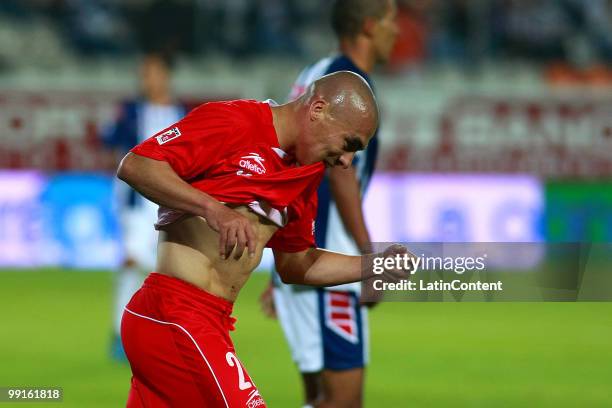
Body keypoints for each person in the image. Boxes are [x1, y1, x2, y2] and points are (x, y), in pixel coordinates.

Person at [117, 71, 405, 407]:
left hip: (210, 321)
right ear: (318, 109)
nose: (346, 161)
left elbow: (298, 264)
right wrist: (214, 209)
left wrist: (374, 265)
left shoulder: (306, 174)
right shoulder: (233, 121)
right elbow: (137, 165)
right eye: (349, 144)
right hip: (173, 313)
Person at [259, 1, 398, 406]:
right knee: (342, 400)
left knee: (320, 397)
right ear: (370, 26)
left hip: (303, 254)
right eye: (392, 22)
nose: (399, 32)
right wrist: (369, 256)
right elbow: (339, 174)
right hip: (326, 260)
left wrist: (281, 260)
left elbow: (291, 162)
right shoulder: (350, 88)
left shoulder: (316, 73)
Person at [102, 52, 187, 360]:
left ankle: (158, 331)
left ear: (165, 75)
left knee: (167, 266)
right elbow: (109, 141)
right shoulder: (130, 110)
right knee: (131, 262)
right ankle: (119, 333)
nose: (146, 79)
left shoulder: (180, 111)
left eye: (151, 72)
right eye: (143, 73)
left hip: (171, 199)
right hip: (137, 202)